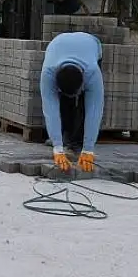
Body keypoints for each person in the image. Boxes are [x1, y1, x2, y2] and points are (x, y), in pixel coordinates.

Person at [40, 31, 104, 173]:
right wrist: (57, 148)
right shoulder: (48, 73)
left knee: (84, 105)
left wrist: (89, 149)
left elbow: (95, 109)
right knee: (63, 103)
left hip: (91, 44)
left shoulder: (92, 72)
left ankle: (79, 144)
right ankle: (64, 139)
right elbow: (50, 109)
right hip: (57, 45)